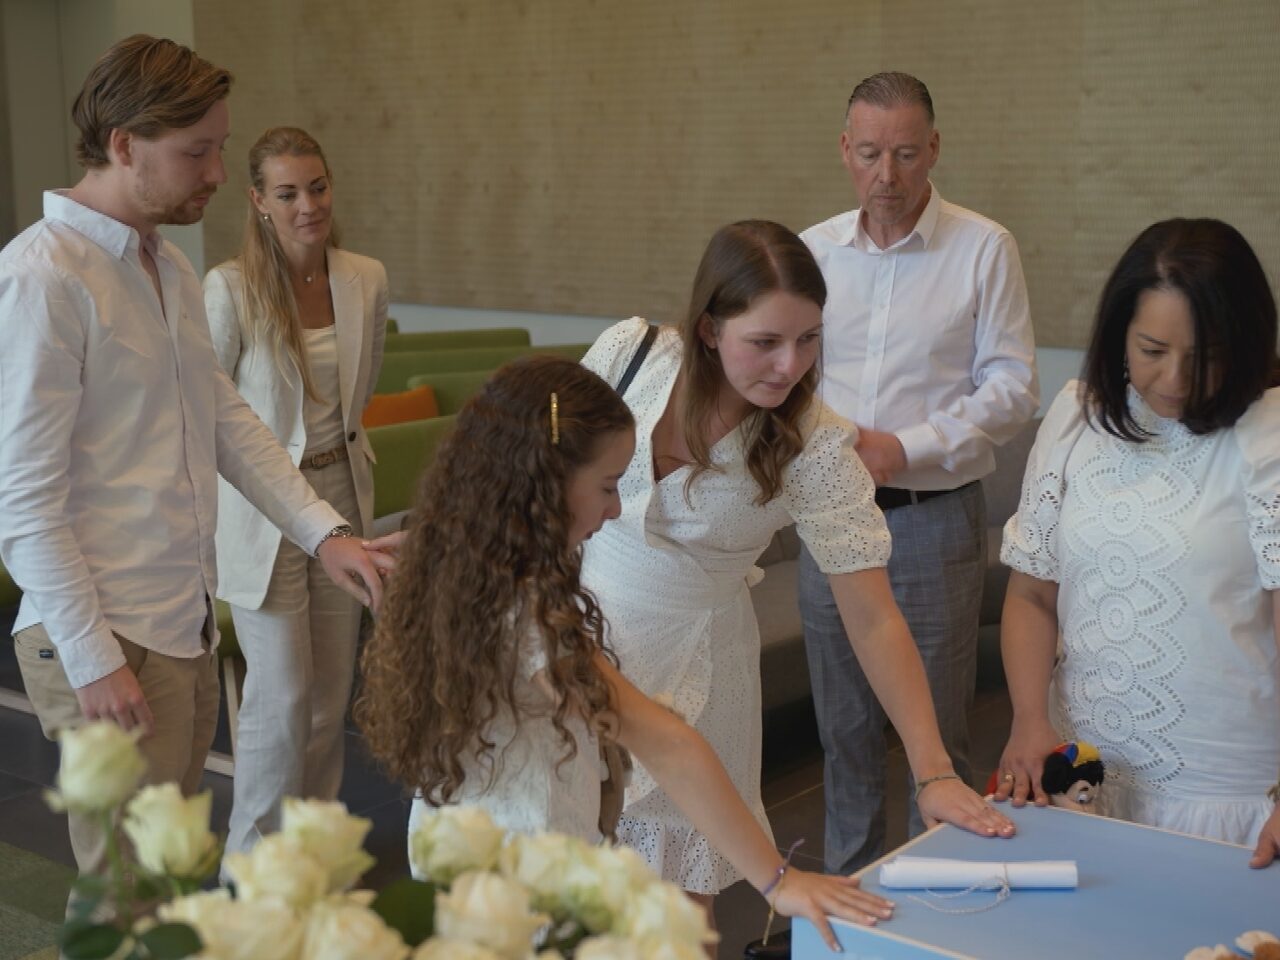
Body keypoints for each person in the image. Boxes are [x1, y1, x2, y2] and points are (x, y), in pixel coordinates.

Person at [356, 355, 902, 951]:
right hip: (523, 884)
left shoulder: (461, 569)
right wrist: (779, 880)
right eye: (609, 486)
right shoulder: (528, 618)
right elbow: (666, 743)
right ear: (545, 481)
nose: (618, 509)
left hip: (462, 858)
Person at [0, 35, 382, 887]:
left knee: (167, 880)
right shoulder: (42, 277)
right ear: (124, 145)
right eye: (196, 152)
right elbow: (23, 504)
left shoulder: (166, 264)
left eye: (218, 148)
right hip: (106, 630)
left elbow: (225, 419)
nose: (215, 174)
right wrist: (94, 659)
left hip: (179, 617)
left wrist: (325, 534)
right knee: (127, 896)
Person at [575, 220, 1013, 925]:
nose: (790, 365)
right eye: (766, 342)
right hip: (577, 643)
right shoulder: (630, 354)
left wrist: (932, 769)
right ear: (710, 328)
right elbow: (535, 474)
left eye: (809, 339)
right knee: (553, 892)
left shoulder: (816, 446)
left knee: (671, 922)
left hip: (695, 674)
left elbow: (874, 618)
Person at [799, 71, 1038, 876]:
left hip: (932, 516)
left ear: (933, 148)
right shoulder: (813, 251)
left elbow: (1012, 387)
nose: (887, 176)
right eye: (869, 153)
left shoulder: (982, 247)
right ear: (845, 149)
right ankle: (848, 899)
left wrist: (904, 446)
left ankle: (936, 902)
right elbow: (790, 377)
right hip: (832, 518)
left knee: (936, 736)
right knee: (844, 734)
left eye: (905, 154)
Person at [994, 217, 1280, 869]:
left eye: (1204, 357)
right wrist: (1029, 718)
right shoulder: (1078, 417)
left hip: (1225, 794)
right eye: (1153, 350)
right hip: (1082, 778)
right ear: (1120, 333)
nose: (1175, 379)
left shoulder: (1268, 435)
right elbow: (1033, 594)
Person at [204, 127, 388, 857]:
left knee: (327, 697)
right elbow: (211, 412)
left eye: (317, 187)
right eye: (287, 193)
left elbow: (360, 394)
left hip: (340, 493)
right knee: (280, 698)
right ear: (258, 201)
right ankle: (252, 868)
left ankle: (310, 857)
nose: (307, 205)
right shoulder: (230, 287)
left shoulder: (364, 277)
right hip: (262, 506)